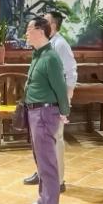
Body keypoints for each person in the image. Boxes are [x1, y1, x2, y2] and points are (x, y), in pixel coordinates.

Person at [19, 17, 70, 204]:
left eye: (29, 29)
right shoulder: (38, 54)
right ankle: (43, 201)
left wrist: (64, 112)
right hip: (34, 112)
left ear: (40, 31)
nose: (26, 33)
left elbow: (60, 88)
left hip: (45, 113)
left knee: (48, 164)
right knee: (40, 161)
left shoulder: (51, 57)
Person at [23, 11, 76, 191]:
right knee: (43, 144)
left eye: (45, 22)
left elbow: (70, 72)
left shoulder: (60, 45)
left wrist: (66, 101)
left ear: (51, 26)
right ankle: (42, 174)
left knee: (55, 141)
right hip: (44, 103)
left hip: (54, 103)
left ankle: (58, 180)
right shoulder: (45, 46)